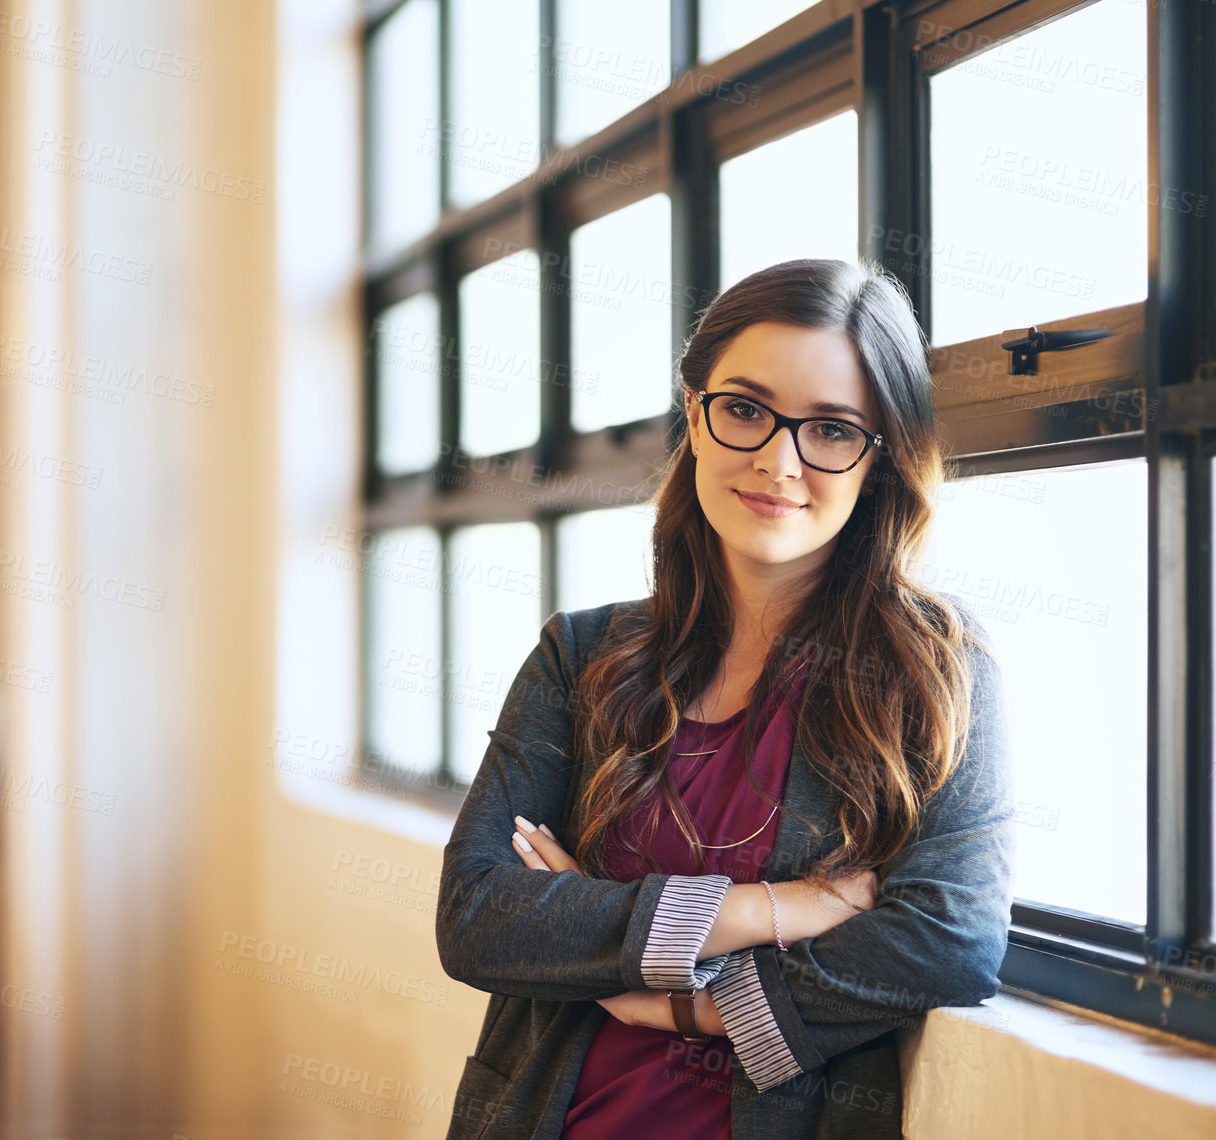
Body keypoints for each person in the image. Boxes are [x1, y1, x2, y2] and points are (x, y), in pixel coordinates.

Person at [435, 258, 1016, 1139]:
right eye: (744, 409)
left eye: (829, 429)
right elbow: (478, 917)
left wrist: (686, 1005)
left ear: (881, 458)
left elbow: (948, 939)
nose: (777, 462)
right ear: (696, 416)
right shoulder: (580, 655)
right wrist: (766, 911)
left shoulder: (930, 666)